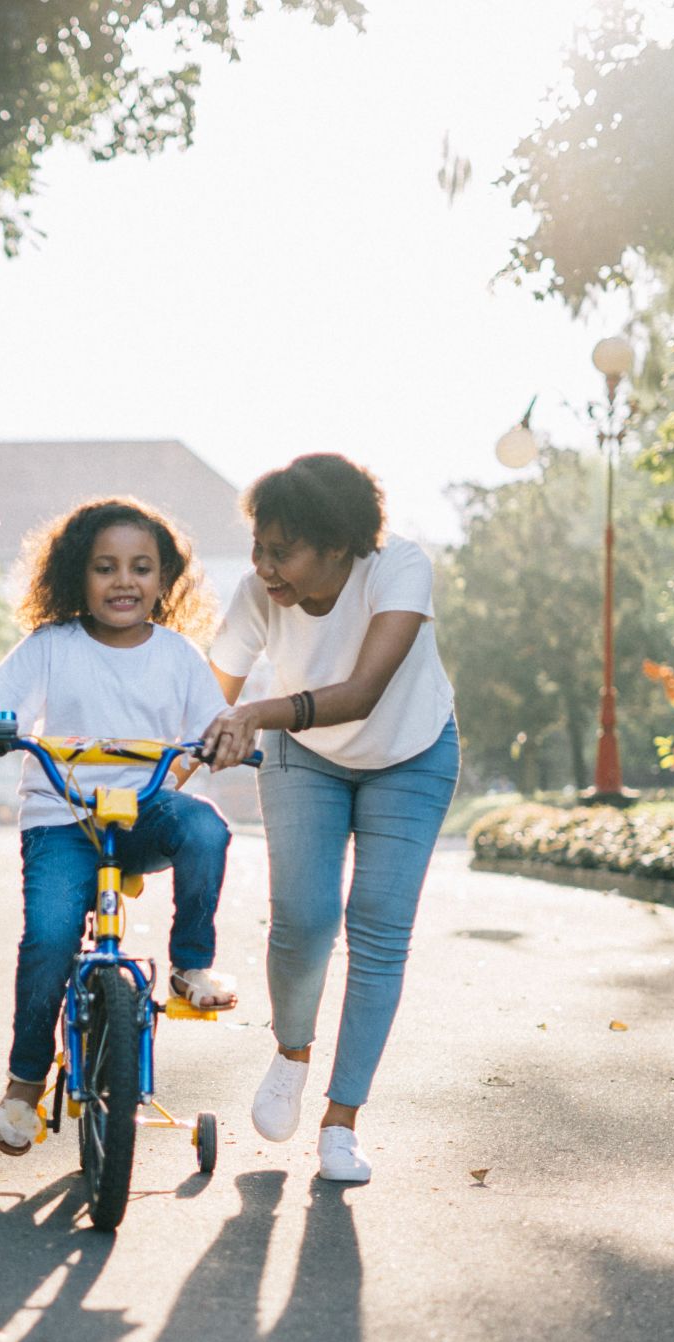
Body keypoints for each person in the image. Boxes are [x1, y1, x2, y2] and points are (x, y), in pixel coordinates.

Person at [200, 453, 459, 1184]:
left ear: (339, 546)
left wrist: (255, 712)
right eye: (258, 546)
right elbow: (206, 697)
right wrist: (167, 767)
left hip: (410, 753)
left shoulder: (398, 569)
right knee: (304, 918)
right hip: (305, 758)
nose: (263, 566)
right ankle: (291, 1052)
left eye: (282, 551)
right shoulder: (258, 594)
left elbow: (365, 690)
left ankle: (342, 1121)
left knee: (378, 927)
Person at [0, 497, 235, 1156]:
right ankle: (23, 1088)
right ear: (79, 575)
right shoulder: (52, 646)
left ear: (164, 581)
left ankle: (191, 965)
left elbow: (212, 727)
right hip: (62, 820)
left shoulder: (179, 656)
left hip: (142, 813)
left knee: (208, 830)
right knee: (49, 938)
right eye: (105, 567)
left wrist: (222, 742)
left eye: (141, 567)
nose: (124, 581)